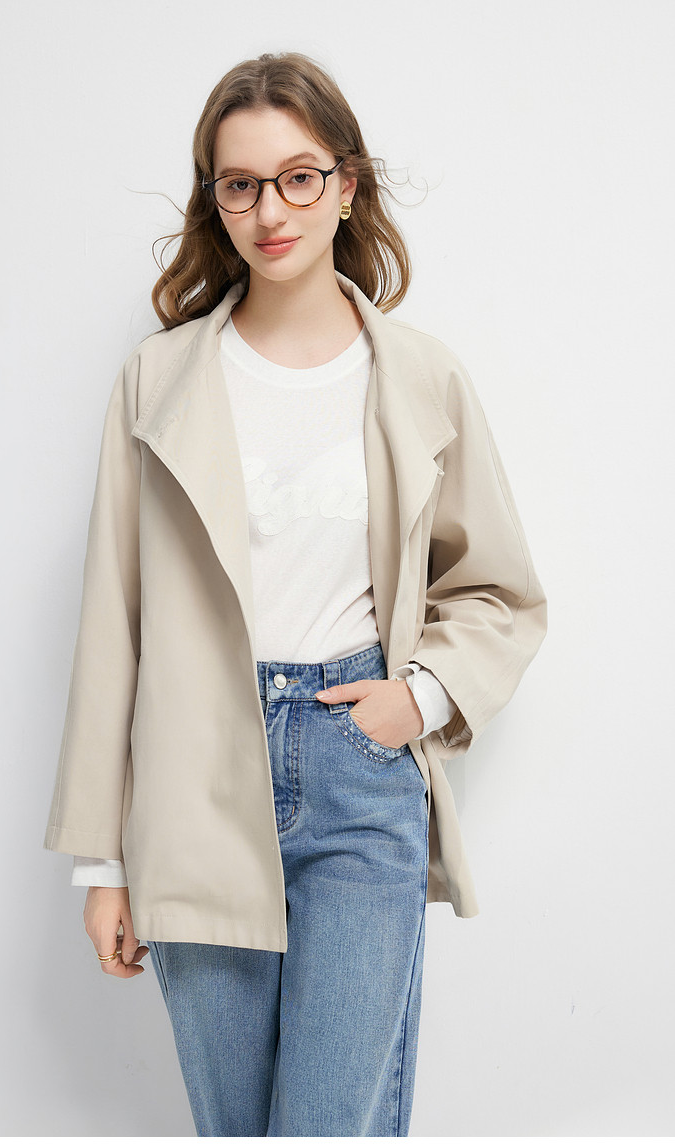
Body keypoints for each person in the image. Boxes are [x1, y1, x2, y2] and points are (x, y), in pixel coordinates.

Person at [43, 50, 548, 1137]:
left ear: (346, 185)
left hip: (359, 768)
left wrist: (416, 700)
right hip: (192, 779)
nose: (271, 210)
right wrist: (104, 863)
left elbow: (499, 591)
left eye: (299, 177)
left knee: (329, 1123)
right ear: (214, 199)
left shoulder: (422, 376)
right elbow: (114, 623)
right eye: (241, 184)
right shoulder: (158, 379)